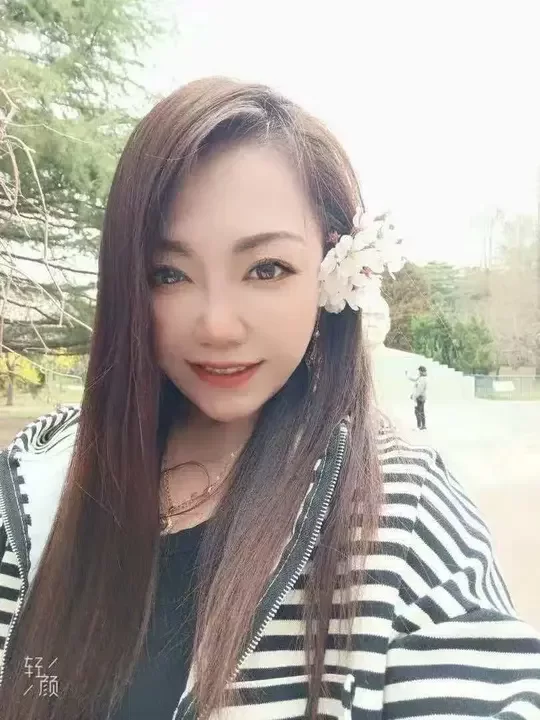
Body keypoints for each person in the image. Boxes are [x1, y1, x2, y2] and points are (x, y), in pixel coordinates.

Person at [0, 78, 539, 720]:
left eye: (266, 269)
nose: (217, 325)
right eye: (169, 274)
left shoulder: (398, 512)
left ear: (332, 271)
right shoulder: (43, 471)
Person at [408, 365, 428, 429]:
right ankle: (423, 426)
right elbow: (414, 379)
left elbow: (419, 390)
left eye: (419, 371)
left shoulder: (422, 379)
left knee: (417, 412)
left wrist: (414, 396)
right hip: (422, 397)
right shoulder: (421, 377)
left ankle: (419, 426)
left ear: (421, 371)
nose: (418, 372)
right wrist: (408, 375)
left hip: (420, 397)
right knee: (421, 411)